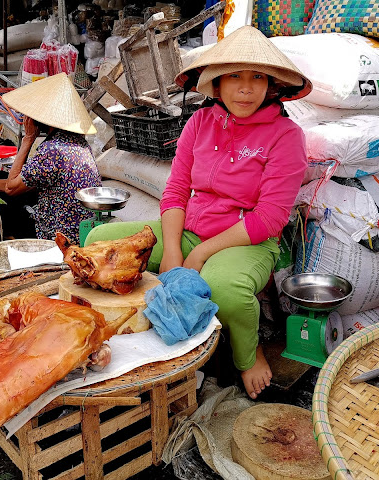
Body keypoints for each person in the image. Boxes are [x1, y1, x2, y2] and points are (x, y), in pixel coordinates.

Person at [85, 26, 312, 400]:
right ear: (216, 84)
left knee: (225, 288)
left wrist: (200, 253)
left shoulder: (286, 136)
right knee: (98, 243)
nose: (246, 88)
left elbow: (269, 218)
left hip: (248, 241)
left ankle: (247, 352)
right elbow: (175, 191)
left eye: (258, 77)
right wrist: (173, 249)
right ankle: (115, 329)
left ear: (272, 85)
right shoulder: (199, 123)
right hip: (188, 230)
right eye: (234, 76)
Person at [0, 73, 102, 244]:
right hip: (76, 225)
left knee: (0, 207)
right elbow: (23, 181)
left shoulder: (52, 150)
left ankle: (7, 243)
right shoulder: (78, 142)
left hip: (59, 235)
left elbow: (11, 188)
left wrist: (28, 139)